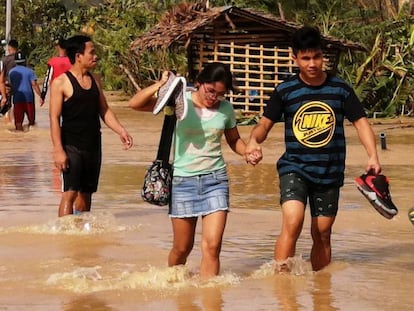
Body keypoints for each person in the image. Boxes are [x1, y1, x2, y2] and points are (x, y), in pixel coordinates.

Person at [245, 26, 381, 272]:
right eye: (305, 58)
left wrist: (373, 155)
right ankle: (283, 287)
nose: (312, 63)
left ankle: (321, 292)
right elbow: (263, 125)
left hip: (329, 171)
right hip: (294, 168)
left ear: (323, 56)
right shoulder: (285, 91)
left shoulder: (340, 90)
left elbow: (361, 124)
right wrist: (254, 142)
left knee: (323, 233)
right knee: (293, 222)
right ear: (294, 58)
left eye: (316, 56)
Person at [129, 62, 260, 278]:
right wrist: (162, 84)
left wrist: (247, 152)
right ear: (199, 83)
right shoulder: (179, 101)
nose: (214, 98)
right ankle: (174, 286)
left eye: (220, 94)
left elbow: (234, 140)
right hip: (183, 182)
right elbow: (135, 104)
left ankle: (210, 298)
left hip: (216, 181)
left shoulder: (226, 109)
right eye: (210, 91)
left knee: (212, 247)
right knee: (182, 249)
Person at [49, 35, 133, 217]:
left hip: (93, 145)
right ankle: (66, 236)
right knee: (70, 192)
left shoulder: (95, 80)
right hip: (71, 145)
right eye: (92, 53)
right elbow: (54, 118)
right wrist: (58, 150)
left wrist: (121, 130)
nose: (96, 57)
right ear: (78, 56)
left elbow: (104, 110)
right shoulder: (60, 83)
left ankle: (81, 237)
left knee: (86, 194)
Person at [8, 52, 44, 131]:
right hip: (29, 99)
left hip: (17, 100)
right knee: (32, 122)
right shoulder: (30, 71)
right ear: (25, 61)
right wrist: (41, 96)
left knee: (18, 123)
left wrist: (8, 100)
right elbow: (34, 84)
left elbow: (10, 87)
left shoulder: (11, 72)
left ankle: (19, 139)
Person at [0, 39, 19, 117]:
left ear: (9, 48)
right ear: (17, 48)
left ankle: (6, 123)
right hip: (18, 85)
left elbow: (2, 75)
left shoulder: (4, 60)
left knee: (7, 105)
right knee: (17, 105)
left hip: (6, 85)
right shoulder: (20, 59)